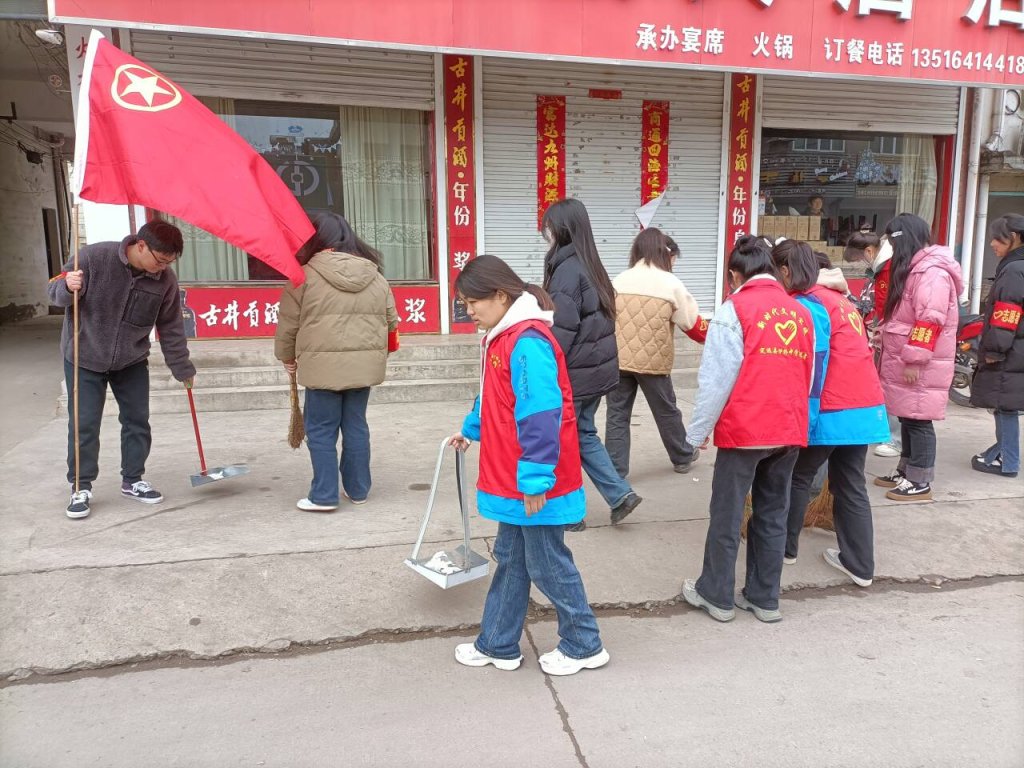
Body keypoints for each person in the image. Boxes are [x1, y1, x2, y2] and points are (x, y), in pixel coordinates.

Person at [448, 255, 609, 677]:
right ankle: (497, 643)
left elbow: (541, 414)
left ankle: (584, 643)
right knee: (513, 559)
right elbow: (492, 396)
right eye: (464, 304)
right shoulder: (503, 338)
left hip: (533, 479)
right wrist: (470, 429)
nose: (469, 311)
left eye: (473, 302)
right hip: (516, 475)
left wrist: (536, 478)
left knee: (547, 564)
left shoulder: (527, 342)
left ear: (501, 296)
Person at [681, 236, 814, 624]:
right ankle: (764, 598)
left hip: (746, 429)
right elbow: (806, 375)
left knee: (727, 513)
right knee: (773, 512)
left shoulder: (734, 309)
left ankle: (716, 594)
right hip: (788, 428)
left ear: (734, 275)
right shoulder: (799, 312)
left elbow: (716, 380)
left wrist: (697, 433)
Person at [47, 220, 196, 520]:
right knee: (84, 424)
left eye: (169, 263)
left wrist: (181, 365)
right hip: (84, 356)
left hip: (131, 359)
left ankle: (133, 480)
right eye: (160, 260)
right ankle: (80, 486)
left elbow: (170, 326)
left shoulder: (165, 280)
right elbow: (53, 291)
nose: (163, 268)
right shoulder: (92, 258)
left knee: (137, 421)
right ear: (141, 245)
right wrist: (66, 286)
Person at [772, 241, 889, 587]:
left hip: (832, 407)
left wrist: (804, 421)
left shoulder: (809, 304)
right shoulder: (842, 300)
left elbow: (814, 366)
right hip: (864, 406)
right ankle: (860, 565)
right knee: (851, 483)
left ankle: (784, 549)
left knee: (798, 475)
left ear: (786, 271)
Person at [274, 212, 398, 512]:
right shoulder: (376, 276)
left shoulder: (303, 277)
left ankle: (324, 495)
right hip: (363, 370)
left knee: (321, 430)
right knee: (356, 426)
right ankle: (358, 490)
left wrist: (286, 357)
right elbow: (391, 323)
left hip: (321, 370)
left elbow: (289, 325)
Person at [541, 198, 641, 528]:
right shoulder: (590, 265)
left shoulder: (567, 271)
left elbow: (563, 329)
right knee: (583, 434)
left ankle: (570, 512)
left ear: (562, 229)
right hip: (595, 371)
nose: (546, 233)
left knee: (563, 440)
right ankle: (620, 495)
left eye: (549, 227)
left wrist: (545, 365)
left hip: (576, 374)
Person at [873, 213, 963, 502]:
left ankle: (920, 480)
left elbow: (929, 320)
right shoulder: (917, 269)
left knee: (918, 419)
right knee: (908, 415)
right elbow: (906, 316)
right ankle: (906, 470)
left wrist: (914, 360)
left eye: (891, 241)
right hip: (906, 357)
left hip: (919, 362)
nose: (890, 248)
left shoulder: (931, 273)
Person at [605, 228, 701, 478]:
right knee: (666, 410)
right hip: (653, 362)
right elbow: (691, 322)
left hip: (618, 359)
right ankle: (682, 456)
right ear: (666, 254)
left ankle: (616, 470)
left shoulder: (620, 279)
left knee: (617, 414)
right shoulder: (670, 283)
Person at [970, 213, 1024, 479]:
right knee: (1006, 405)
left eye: (997, 238)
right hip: (1018, 349)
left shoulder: (1014, 270)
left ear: (1013, 237)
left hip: (1011, 351)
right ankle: (1000, 452)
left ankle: (1007, 461)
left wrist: (994, 349)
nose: (992, 243)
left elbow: (1007, 314)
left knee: (1005, 406)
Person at [845, 230, 901, 459]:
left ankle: (895, 439)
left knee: (893, 386)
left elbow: (889, 305)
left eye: (859, 260)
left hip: (893, 334)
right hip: (882, 331)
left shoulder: (889, 268)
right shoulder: (879, 269)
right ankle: (886, 431)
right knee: (883, 383)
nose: (861, 265)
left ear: (868, 251)